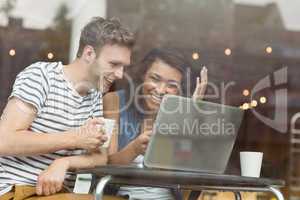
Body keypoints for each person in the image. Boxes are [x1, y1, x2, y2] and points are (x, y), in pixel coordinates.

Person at [0, 17, 134, 200]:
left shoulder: (94, 95)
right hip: (17, 190)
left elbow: (100, 157)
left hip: (60, 194)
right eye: (114, 64)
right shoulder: (41, 76)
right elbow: (5, 141)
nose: (120, 74)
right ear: (89, 54)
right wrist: (75, 138)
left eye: (123, 67)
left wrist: (64, 162)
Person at [104, 48, 208, 200]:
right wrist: (134, 149)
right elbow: (106, 164)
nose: (160, 90)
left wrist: (190, 113)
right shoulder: (114, 101)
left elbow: (189, 178)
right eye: (155, 78)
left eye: (171, 85)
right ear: (142, 76)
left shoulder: (181, 115)